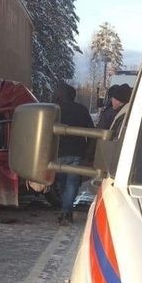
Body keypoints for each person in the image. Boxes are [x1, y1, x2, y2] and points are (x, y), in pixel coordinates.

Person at [53, 83, 94, 226]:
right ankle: (66, 211)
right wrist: (89, 151)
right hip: (77, 151)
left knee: (62, 183)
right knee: (72, 183)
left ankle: (65, 209)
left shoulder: (55, 110)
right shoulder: (81, 110)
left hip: (58, 152)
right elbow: (91, 131)